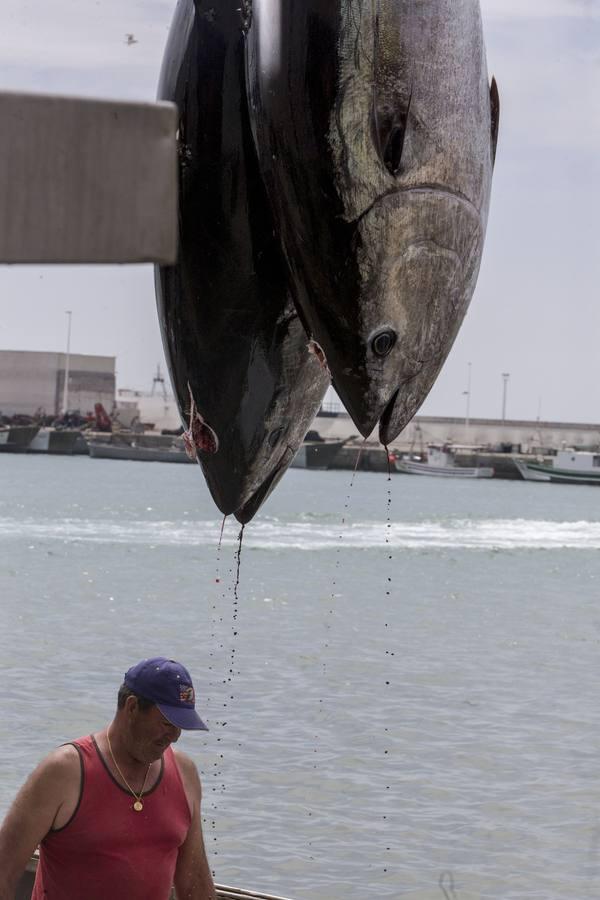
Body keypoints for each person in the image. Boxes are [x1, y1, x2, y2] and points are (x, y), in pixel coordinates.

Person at [0, 657, 217, 900]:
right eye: (167, 723)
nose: (174, 736)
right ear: (132, 707)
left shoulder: (184, 774)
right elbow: (3, 871)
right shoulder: (63, 772)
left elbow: (195, 883)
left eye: (180, 726)